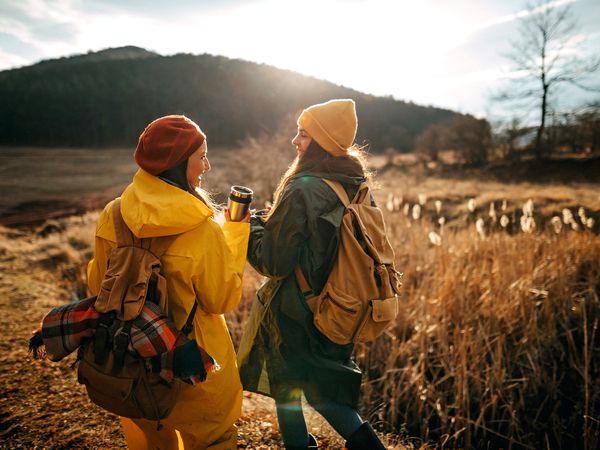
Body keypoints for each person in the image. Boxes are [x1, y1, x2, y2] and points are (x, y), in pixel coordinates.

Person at [87, 115, 250, 449]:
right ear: (178, 164)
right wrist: (234, 231)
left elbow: (96, 284)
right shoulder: (202, 230)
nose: (207, 165)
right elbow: (222, 299)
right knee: (212, 440)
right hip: (192, 365)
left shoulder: (113, 214)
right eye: (201, 156)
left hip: (128, 360)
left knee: (148, 437)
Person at [238, 99, 386, 450]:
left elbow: (273, 262)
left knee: (291, 388)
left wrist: (250, 226)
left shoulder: (303, 187)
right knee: (323, 390)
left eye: (303, 134)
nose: (295, 141)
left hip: (298, 312)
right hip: (341, 307)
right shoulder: (354, 184)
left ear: (321, 140)